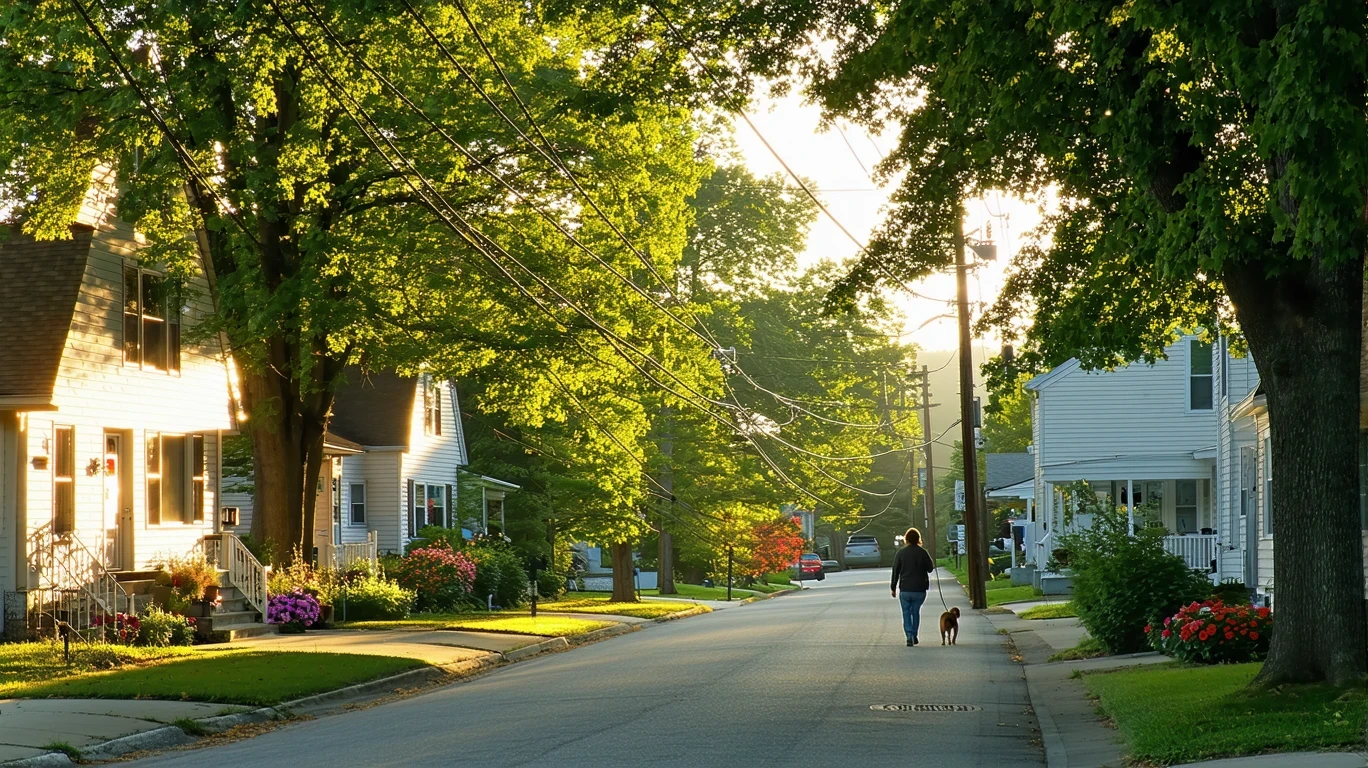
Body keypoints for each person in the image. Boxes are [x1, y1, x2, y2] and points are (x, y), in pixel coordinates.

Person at [891, 527, 935, 646]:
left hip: (905, 588)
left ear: (906, 539)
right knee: (915, 612)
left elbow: (895, 570)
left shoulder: (901, 553)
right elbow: (930, 569)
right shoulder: (923, 552)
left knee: (906, 612)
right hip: (920, 589)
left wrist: (893, 587)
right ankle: (914, 634)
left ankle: (909, 635)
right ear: (918, 539)